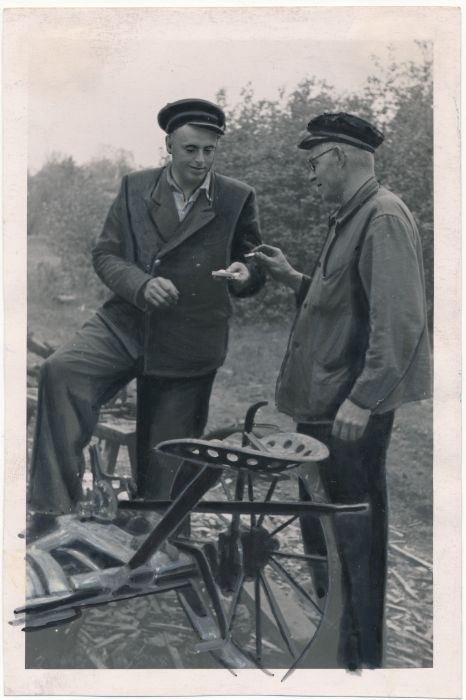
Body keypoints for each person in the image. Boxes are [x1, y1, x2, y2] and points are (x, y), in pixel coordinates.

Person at [28, 98, 265, 524]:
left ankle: (156, 541)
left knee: (165, 462)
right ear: (170, 146)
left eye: (210, 151)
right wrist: (141, 284)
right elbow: (106, 254)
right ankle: (52, 510)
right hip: (125, 323)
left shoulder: (236, 197)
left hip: (189, 340)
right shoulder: (134, 187)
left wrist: (244, 273)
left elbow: (253, 263)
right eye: (191, 149)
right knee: (61, 372)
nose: (200, 160)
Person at [253, 112, 432, 670]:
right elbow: (343, 303)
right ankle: (334, 646)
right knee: (322, 533)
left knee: (353, 538)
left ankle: (359, 660)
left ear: (340, 157)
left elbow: (398, 323)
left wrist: (365, 398)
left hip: (348, 412)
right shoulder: (347, 217)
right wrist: (293, 280)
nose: (310, 175)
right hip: (322, 406)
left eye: (314, 162)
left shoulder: (382, 218)